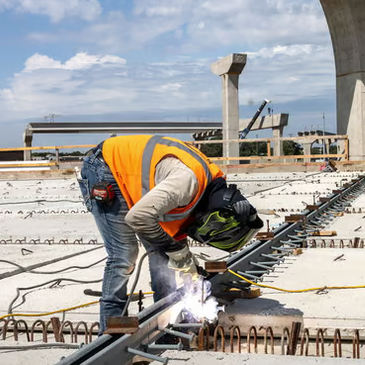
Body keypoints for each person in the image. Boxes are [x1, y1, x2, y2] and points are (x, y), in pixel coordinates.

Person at [78, 135, 263, 333]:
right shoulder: (186, 184)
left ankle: (164, 325)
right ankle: (109, 330)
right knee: (124, 254)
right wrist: (174, 249)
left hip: (130, 176)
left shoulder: (206, 190)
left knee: (160, 254)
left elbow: (175, 226)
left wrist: (187, 265)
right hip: (105, 168)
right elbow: (138, 218)